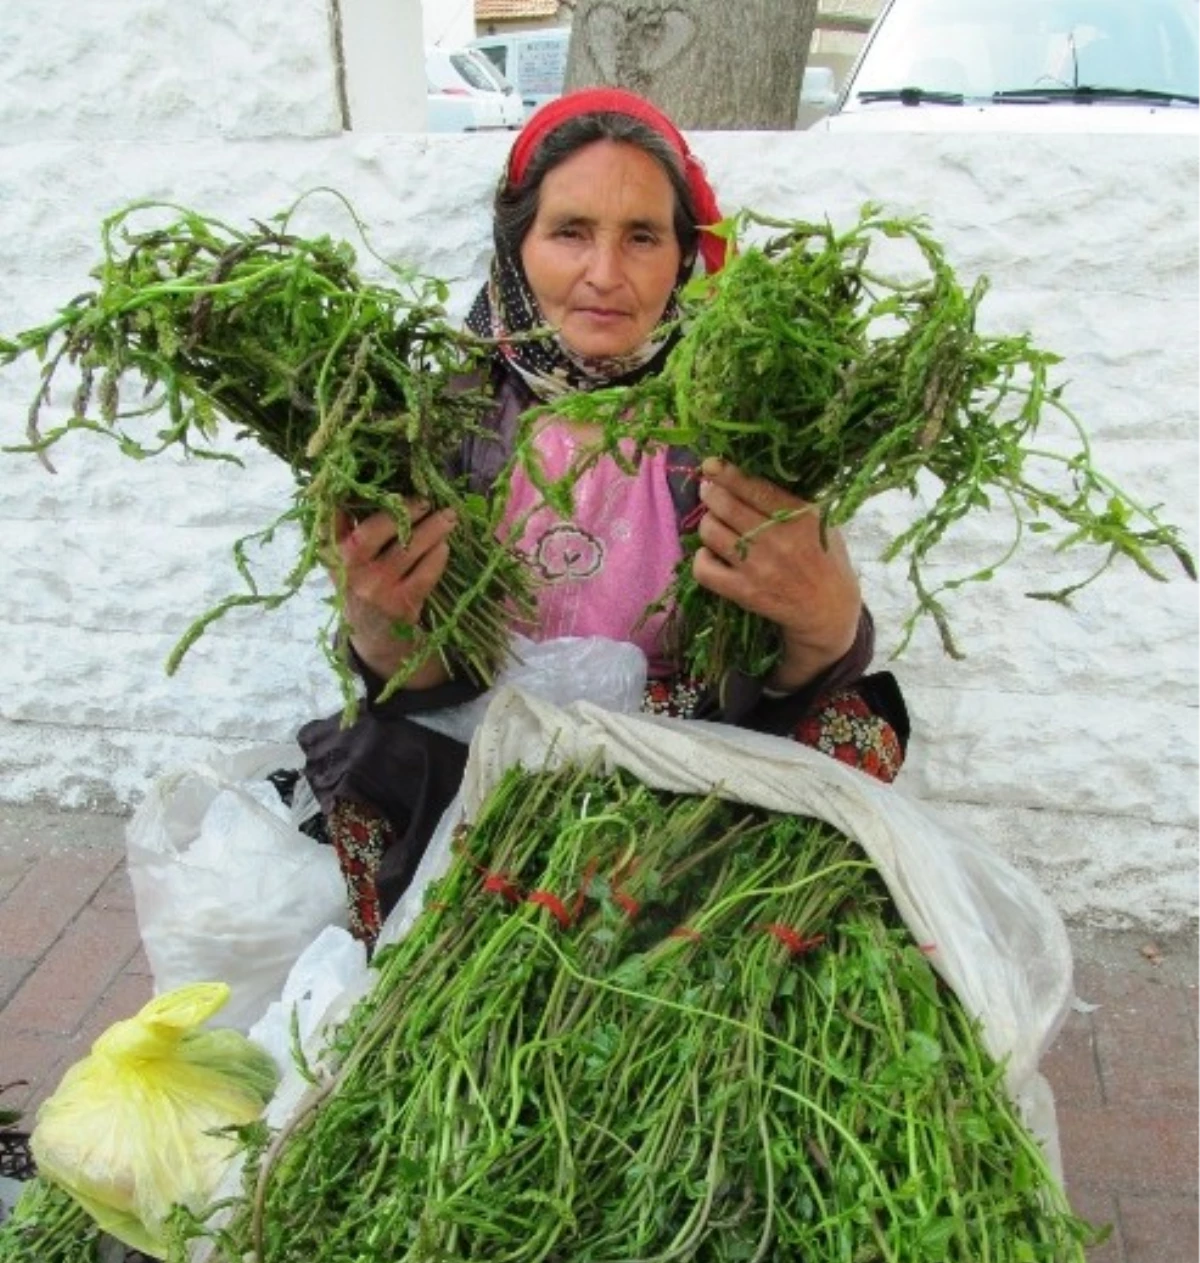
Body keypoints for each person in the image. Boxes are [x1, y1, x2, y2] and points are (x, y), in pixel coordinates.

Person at [300, 87, 909, 945]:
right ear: (517, 249)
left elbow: (792, 676)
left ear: (684, 260)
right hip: (490, 766)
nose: (606, 276)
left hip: (687, 769)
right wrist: (378, 631)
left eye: (642, 238)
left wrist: (828, 622)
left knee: (855, 727)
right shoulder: (437, 426)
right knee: (372, 751)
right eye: (571, 232)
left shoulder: (739, 426)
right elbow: (418, 689)